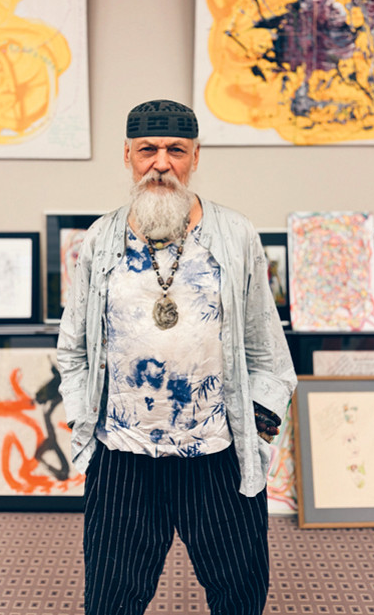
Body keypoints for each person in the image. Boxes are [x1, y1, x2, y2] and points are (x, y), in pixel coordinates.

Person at [57, 99, 297, 615]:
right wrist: (82, 419)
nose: (161, 163)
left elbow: (266, 346)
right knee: (109, 601)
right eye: (148, 149)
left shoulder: (235, 235)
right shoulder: (99, 240)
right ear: (127, 155)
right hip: (123, 453)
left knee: (239, 596)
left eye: (176, 150)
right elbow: (72, 349)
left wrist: (259, 420)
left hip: (217, 451)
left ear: (195, 156)